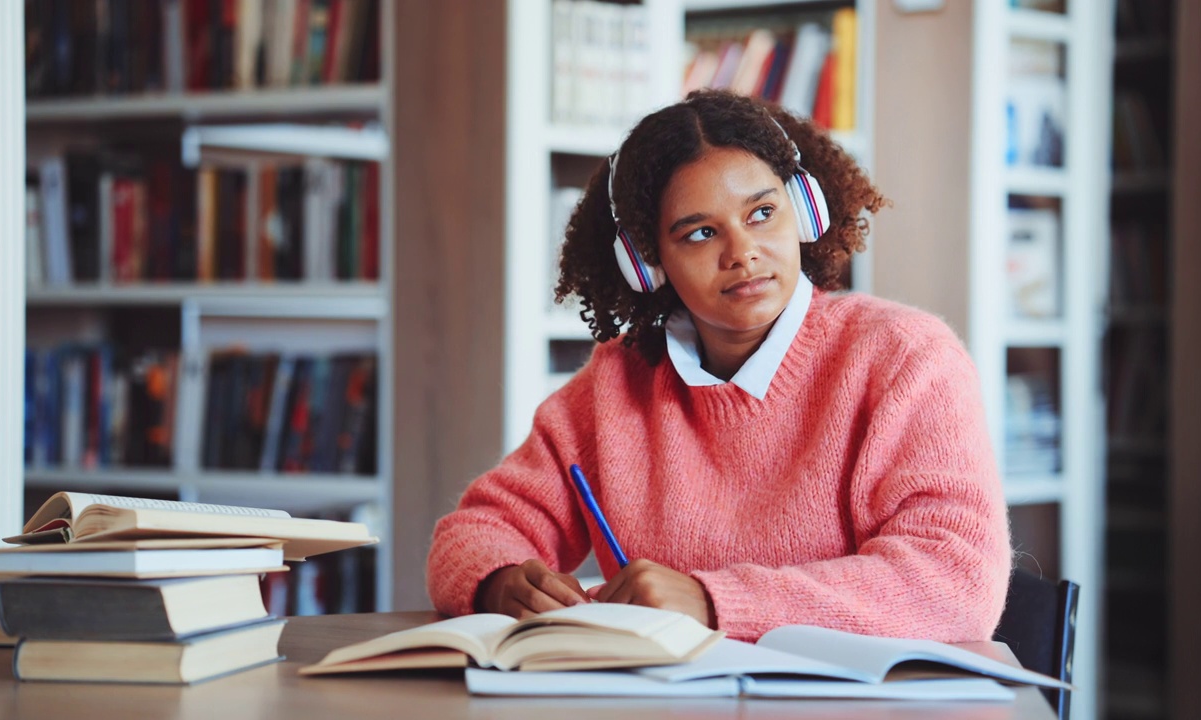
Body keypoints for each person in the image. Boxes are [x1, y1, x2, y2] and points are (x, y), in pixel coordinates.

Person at [426, 89, 1011, 644]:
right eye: (701, 233)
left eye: (761, 213)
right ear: (646, 263)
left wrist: (712, 603)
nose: (741, 252)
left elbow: (955, 581)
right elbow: (473, 533)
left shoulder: (905, 358)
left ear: (805, 211)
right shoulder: (616, 384)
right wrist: (499, 580)